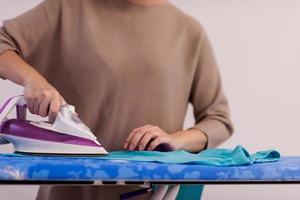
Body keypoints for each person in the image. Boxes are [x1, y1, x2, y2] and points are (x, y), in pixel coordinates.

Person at [0, 0, 234, 199]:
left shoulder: (189, 32)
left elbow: (219, 119)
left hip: (152, 194)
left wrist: (176, 141)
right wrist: (33, 80)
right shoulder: (69, 8)